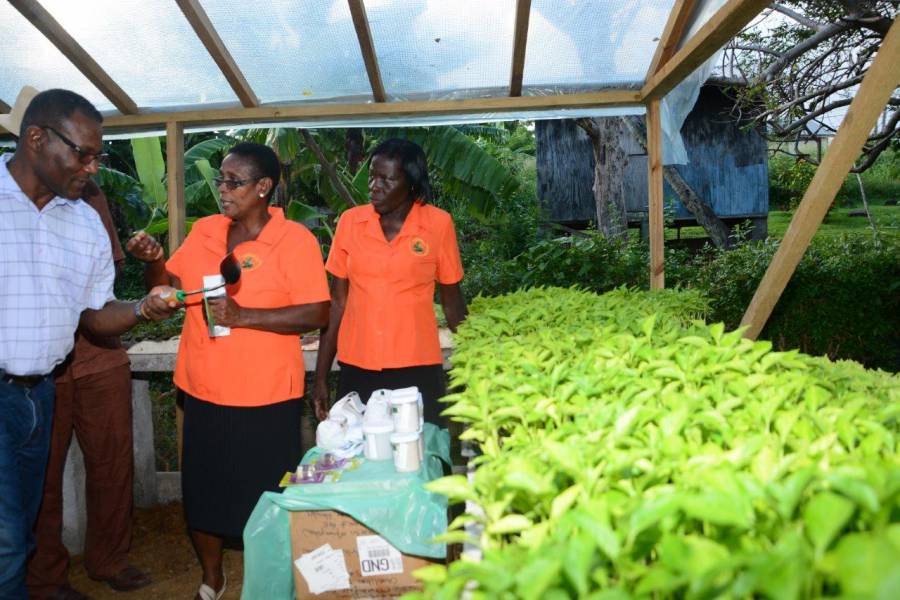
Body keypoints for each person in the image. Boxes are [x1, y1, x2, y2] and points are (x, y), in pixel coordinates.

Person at [127, 142, 330, 600]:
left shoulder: (295, 240)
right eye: (221, 179)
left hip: (267, 395)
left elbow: (318, 312)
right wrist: (154, 261)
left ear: (264, 188)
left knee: (269, 494)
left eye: (233, 182)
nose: (222, 189)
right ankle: (212, 577)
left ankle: (271, 580)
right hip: (204, 388)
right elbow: (169, 290)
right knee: (205, 493)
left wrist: (245, 317)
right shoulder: (205, 231)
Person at [0, 88, 177, 600]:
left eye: (99, 155)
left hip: (40, 394)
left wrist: (145, 307)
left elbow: (96, 316)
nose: (95, 167)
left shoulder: (83, 222)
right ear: (35, 138)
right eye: (84, 153)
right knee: (9, 540)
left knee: (24, 518)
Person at [27, 181, 152, 600]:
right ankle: (46, 577)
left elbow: (108, 271)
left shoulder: (91, 194)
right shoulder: (15, 197)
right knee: (43, 474)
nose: (89, 166)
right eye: (82, 153)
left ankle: (109, 559)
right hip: (41, 359)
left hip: (100, 352)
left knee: (113, 462)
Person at [312, 138, 467, 426]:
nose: (374, 186)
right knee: (358, 455)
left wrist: (476, 359)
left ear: (411, 182)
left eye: (387, 179)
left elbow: (452, 301)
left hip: (417, 366)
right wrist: (321, 377)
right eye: (372, 176)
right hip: (359, 367)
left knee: (421, 452)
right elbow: (337, 303)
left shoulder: (438, 224)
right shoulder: (350, 223)